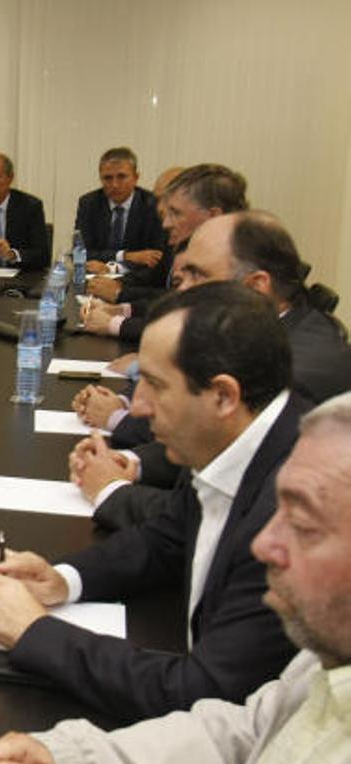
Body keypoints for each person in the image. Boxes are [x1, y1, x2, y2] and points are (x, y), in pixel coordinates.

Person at [0, 391, 351, 764]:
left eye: (302, 523)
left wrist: (36, 631)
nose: (263, 543)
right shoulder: (324, 661)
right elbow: (245, 737)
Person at [0, 282, 303, 722]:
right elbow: (167, 538)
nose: (139, 407)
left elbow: (202, 694)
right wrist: (63, 579)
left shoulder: (294, 511)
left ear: (223, 396)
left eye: (156, 385)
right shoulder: (237, 440)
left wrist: (35, 632)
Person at [71, 212, 351, 532]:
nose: (181, 293)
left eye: (197, 277)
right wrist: (132, 463)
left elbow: (203, 520)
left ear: (256, 288)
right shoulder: (254, 337)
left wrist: (111, 489)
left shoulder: (293, 378)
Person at [81, 163, 247, 339]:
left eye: (175, 212)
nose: (166, 222)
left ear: (213, 216)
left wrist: (115, 323)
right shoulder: (187, 246)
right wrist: (123, 309)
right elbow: (174, 300)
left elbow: (192, 330)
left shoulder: (235, 262)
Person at [73, 147, 166, 275]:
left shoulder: (153, 205)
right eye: (107, 178)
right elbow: (80, 253)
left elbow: (155, 258)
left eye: (121, 177)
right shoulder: (89, 203)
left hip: (138, 281)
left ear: (136, 177)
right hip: (94, 276)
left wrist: (113, 268)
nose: (115, 184)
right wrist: (125, 256)